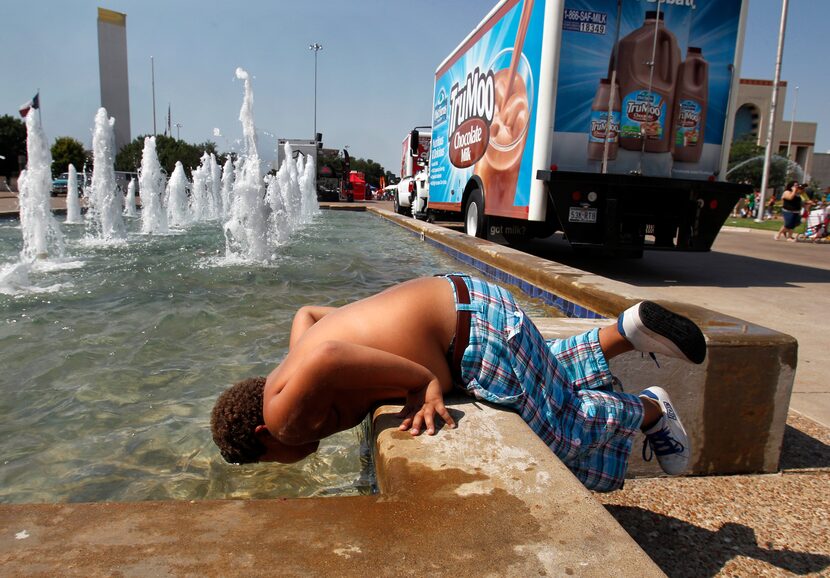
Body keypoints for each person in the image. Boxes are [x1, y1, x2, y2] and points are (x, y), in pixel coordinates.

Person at [211, 274, 706, 492]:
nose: (289, 457)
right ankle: (626, 333)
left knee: (561, 427)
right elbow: (310, 317)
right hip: (468, 304)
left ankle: (649, 410)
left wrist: (422, 382)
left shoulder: (282, 419)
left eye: (272, 461)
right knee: (542, 381)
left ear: (263, 437)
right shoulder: (289, 363)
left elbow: (329, 354)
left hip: (469, 338)